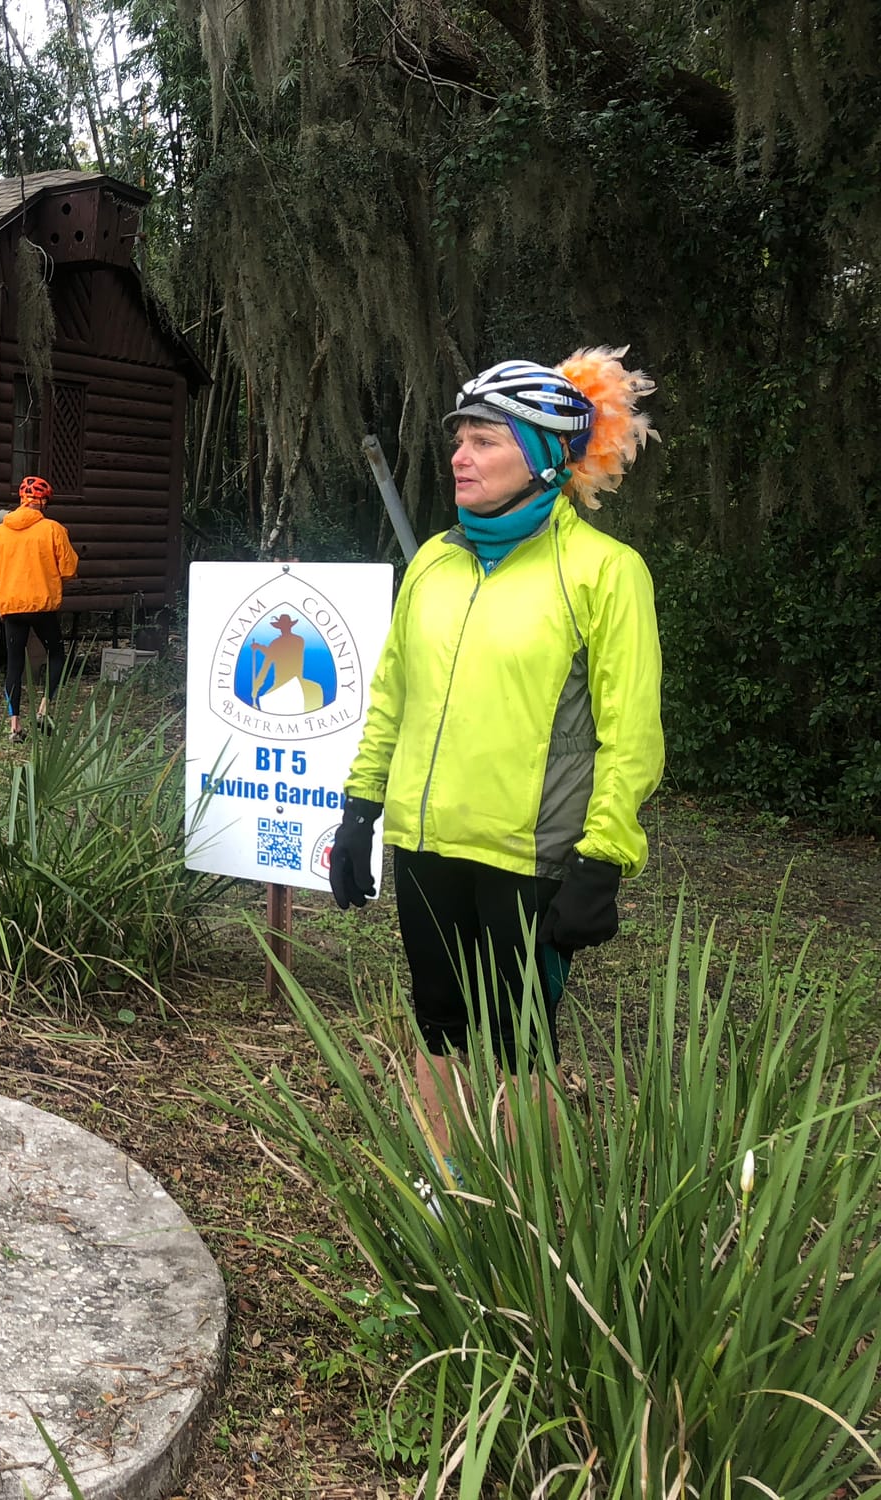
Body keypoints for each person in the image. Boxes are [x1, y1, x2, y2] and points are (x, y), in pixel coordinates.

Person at [328, 348, 665, 1156]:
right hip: (425, 840)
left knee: (524, 1045)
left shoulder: (605, 573)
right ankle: (446, 1186)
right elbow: (393, 698)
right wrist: (360, 810)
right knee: (437, 1022)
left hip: (532, 856)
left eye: (485, 440)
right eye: (460, 439)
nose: (459, 456)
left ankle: (523, 1210)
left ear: (544, 456)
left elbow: (632, 735)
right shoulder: (434, 564)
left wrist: (604, 858)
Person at [0, 475, 79, 742]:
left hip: (12, 608)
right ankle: (44, 709)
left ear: (22, 501)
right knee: (56, 654)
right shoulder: (53, 530)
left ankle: (15, 726)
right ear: (43, 502)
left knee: (14, 663)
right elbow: (69, 569)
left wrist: (8, 585)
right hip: (42, 606)